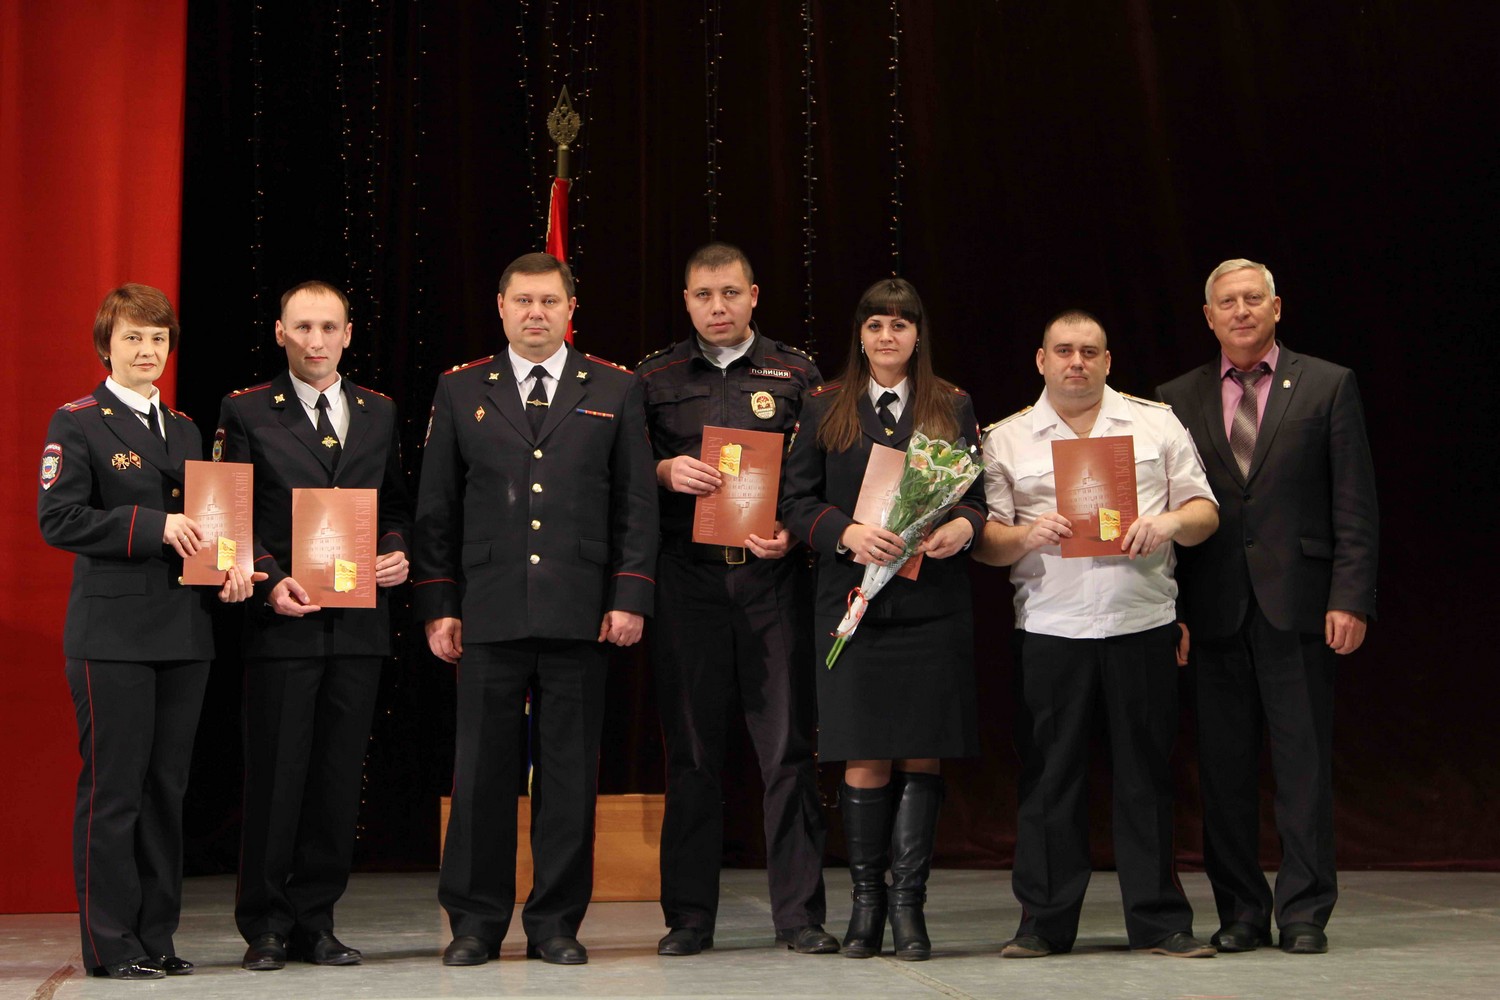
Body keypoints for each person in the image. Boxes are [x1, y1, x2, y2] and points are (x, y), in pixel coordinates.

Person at [414, 252, 658, 968]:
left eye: (549, 301)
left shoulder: (615, 387)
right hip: (487, 611)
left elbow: (635, 503)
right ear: (501, 307)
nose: (535, 314)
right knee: (481, 773)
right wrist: (438, 604)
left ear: (570, 308)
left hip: (582, 610)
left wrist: (630, 594)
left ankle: (555, 922)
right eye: (523, 301)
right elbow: (437, 510)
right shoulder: (461, 390)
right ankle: (475, 922)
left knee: (568, 775)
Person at [976, 309, 1220, 959]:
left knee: (1146, 776)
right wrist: (1026, 534)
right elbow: (987, 544)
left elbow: (1203, 511)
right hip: (1051, 628)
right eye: (1064, 351)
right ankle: (1044, 925)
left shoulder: (1153, 423)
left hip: (1139, 621)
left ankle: (1161, 922)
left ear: (1108, 361)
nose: (1076, 362)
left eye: (1089, 351)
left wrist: (1166, 525)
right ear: (1041, 360)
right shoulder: (1007, 438)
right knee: (1051, 779)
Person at [1157, 260, 1378, 955]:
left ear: (1277, 308)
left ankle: (1306, 910)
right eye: (1228, 302)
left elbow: (1355, 502)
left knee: (1304, 764)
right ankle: (1241, 912)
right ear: (1209, 316)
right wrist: (1175, 609)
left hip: (1303, 606)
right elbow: (1168, 511)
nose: (1242, 310)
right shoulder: (1175, 397)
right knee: (1223, 770)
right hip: (1215, 609)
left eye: (1254, 299)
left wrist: (1351, 595)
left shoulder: (1327, 383)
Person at [38, 284, 258, 980]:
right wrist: (150, 526)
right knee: (115, 792)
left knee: (167, 792)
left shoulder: (187, 428)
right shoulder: (77, 422)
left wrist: (230, 568)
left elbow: (210, 524)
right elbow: (59, 520)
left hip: (183, 633)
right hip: (112, 637)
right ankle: (110, 944)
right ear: (107, 345)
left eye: (158, 339)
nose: (146, 351)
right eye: (133, 338)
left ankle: (157, 936)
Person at [637, 242, 834, 957]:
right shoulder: (653, 379)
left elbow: (812, 479)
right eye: (702, 296)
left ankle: (799, 917)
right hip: (687, 581)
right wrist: (661, 470)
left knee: (786, 751)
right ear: (686, 301)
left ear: (754, 295)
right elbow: (626, 481)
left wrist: (791, 527)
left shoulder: (798, 373)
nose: (716, 307)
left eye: (729, 293)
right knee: (690, 753)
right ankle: (689, 918)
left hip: (770, 583)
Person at [781, 277, 985, 962]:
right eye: (876, 325)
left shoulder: (951, 405)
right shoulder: (824, 407)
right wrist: (844, 533)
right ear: (860, 335)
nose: (888, 336)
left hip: (930, 609)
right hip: (854, 607)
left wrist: (962, 526)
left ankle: (909, 911)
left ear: (918, 335)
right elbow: (795, 502)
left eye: (901, 325)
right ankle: (866, 908)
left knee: (920, 752)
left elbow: (977, 497)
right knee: (864, 756)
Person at [216, 280, 412, 971]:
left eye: (329, 327)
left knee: (335, 780)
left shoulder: (379, 411)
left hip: (358, 627)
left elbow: (393, 505)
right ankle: (266, 926)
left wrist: (398, 552)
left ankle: (317, 920)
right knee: (275, 779)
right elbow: (227, 516)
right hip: (283, 625)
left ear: (349, 334)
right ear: (280, 333)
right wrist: (269, 580)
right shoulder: (244, 411)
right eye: (303, 327)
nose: (317, 340)